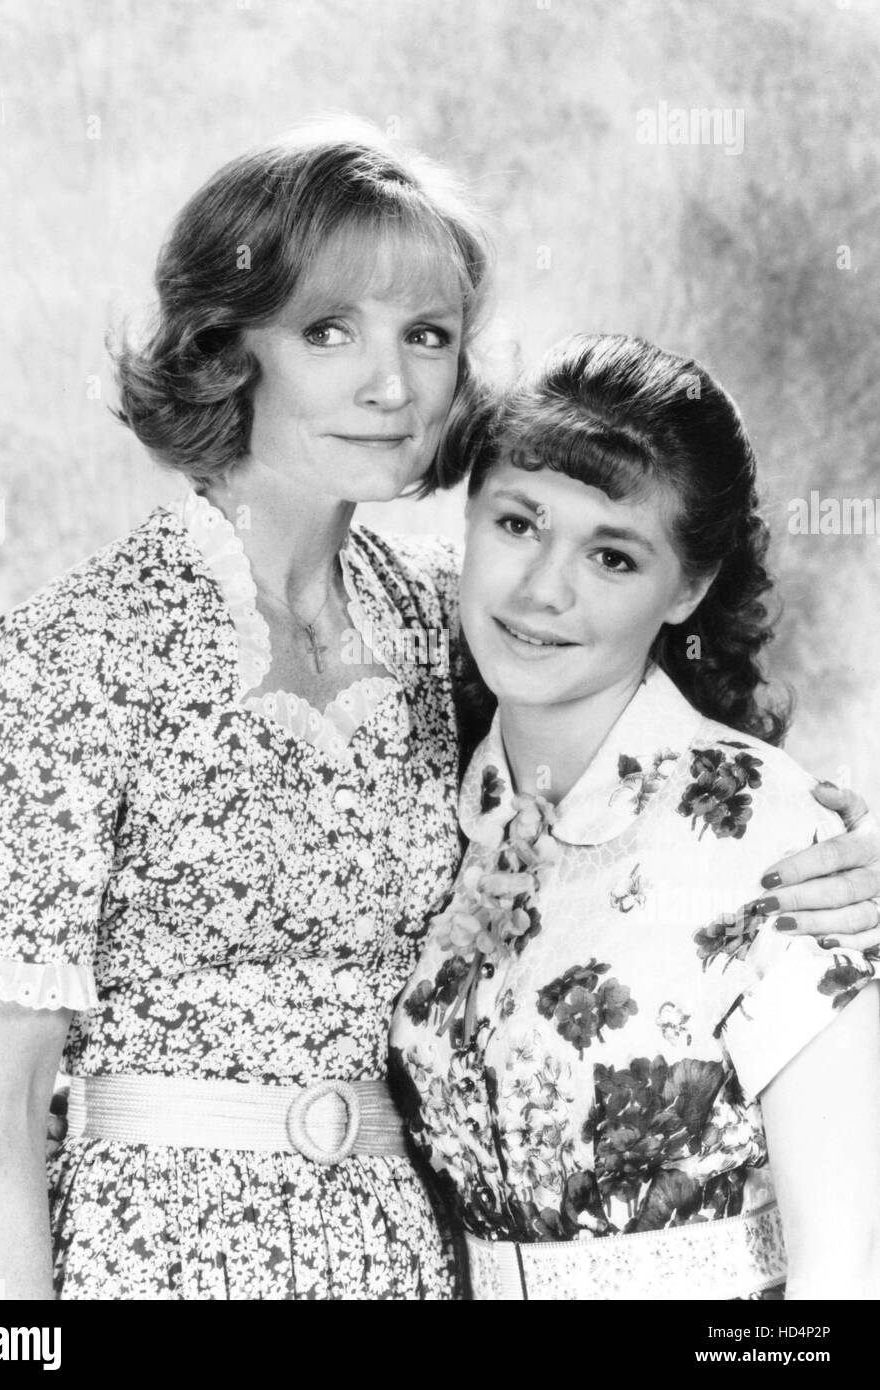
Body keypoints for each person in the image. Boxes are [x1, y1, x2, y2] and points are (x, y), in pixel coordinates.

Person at [0, 126, 880, 1303]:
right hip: (152, 1261)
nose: (391, 387)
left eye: (425, 336)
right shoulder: (71, 657)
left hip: (405, 1267)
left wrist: (844, 857)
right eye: (329, 331)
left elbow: (655, 796)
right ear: (230, 349)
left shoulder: (453, 626)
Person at [390, 334, 880, 1301]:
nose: (543, 590)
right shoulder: (436, 807)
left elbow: (849, 1268)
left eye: (612, 556)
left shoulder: (775, 836)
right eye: (519, 524)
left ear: (688, 589)